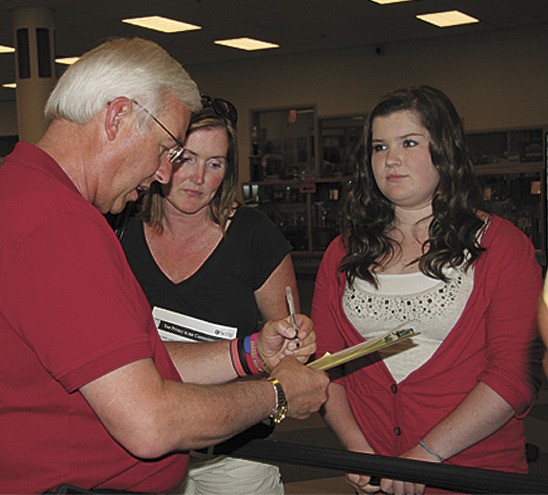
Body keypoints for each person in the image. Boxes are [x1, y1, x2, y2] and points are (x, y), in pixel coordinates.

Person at [0, 37, 329, 494]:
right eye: (167, 150)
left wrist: (248, 353)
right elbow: (150, 421)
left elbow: (122, 367)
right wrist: (277, 394)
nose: (163, 174)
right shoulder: (60, 225)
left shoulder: (18, 191)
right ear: (117, 118)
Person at [311, 85, 542, 495]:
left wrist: (425, 457)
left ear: (445, 151)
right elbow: (330, 367)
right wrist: (357, 450)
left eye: (410, 143)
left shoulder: (503, 247)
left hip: (473, 473)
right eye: (379, 147)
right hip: (377, 474)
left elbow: (513, 376)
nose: (391, 160)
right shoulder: (344, 251)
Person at [116, 94, 300, 494]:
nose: (198, 178)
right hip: (140, 449)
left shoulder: (255, 236)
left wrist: (285, 377)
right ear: (162, 158)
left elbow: (289, 346)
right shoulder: (121, 228)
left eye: (214, 164)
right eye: (185, 159)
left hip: (236, 453)